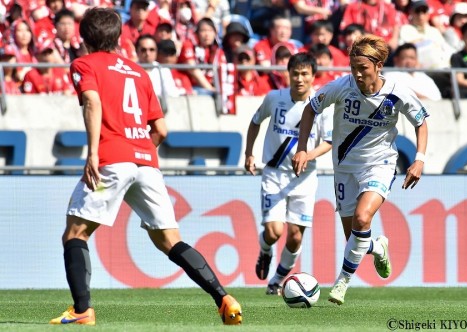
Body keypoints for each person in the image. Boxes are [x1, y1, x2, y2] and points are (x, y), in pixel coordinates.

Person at [49, 8, 242, 326]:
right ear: (119, 36)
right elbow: (161, 130)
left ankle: (82, 310)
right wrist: (138, 154)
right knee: (171, 240)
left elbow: (93, 102)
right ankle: (224, 299)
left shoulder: (83, 64)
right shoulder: (139, 73)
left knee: (75, 232)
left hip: (109, 164)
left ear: (84, 38)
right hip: (146, 164)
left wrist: (94, 153)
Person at [292, 34, 429, 305]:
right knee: (355, 237)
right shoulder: (342, 86)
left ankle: (342, 281)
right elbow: (310, 110)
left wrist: (419, 158)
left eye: (362, 68)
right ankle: (378, 246)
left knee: (362, 218)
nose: (356, 73)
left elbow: (420, 122)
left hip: (380, 165)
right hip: (344, 168)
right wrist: (302, 148)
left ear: (378, 66)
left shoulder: (397, 92)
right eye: (353, 67)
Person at [245, 52, 333, 295]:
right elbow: (255, 122)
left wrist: (308, 155)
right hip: (274, 174)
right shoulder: (274, 98)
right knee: (274, 232)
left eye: (305, 74)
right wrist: (249, 154)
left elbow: (329, 141)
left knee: (294, 238)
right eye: (295, 73)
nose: (299, 78)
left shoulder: (321, 105)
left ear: (314, 77)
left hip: (304, 179)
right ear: (288, 74)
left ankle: (276, 281)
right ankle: (265, 250)